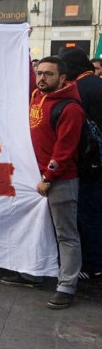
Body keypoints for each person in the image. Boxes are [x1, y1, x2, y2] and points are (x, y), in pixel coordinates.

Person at [1, 56, 85, 309]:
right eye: (39, 73)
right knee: (32, 227)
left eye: (48, 74)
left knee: (65, 234)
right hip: (32, 178)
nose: (41, 78)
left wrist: (49, 177)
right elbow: (22, 78)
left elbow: (65, 149)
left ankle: (66, 286)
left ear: (62, 78)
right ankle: (30, 273)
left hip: (59, 180)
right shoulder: (38, 96)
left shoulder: (70, 108)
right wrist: (21, 48)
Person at [60, 48, 102, 281]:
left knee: (87, 213)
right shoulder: (96, 84)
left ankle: (93, 263)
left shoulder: (80, 90)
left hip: (89, 162)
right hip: (97, 159)